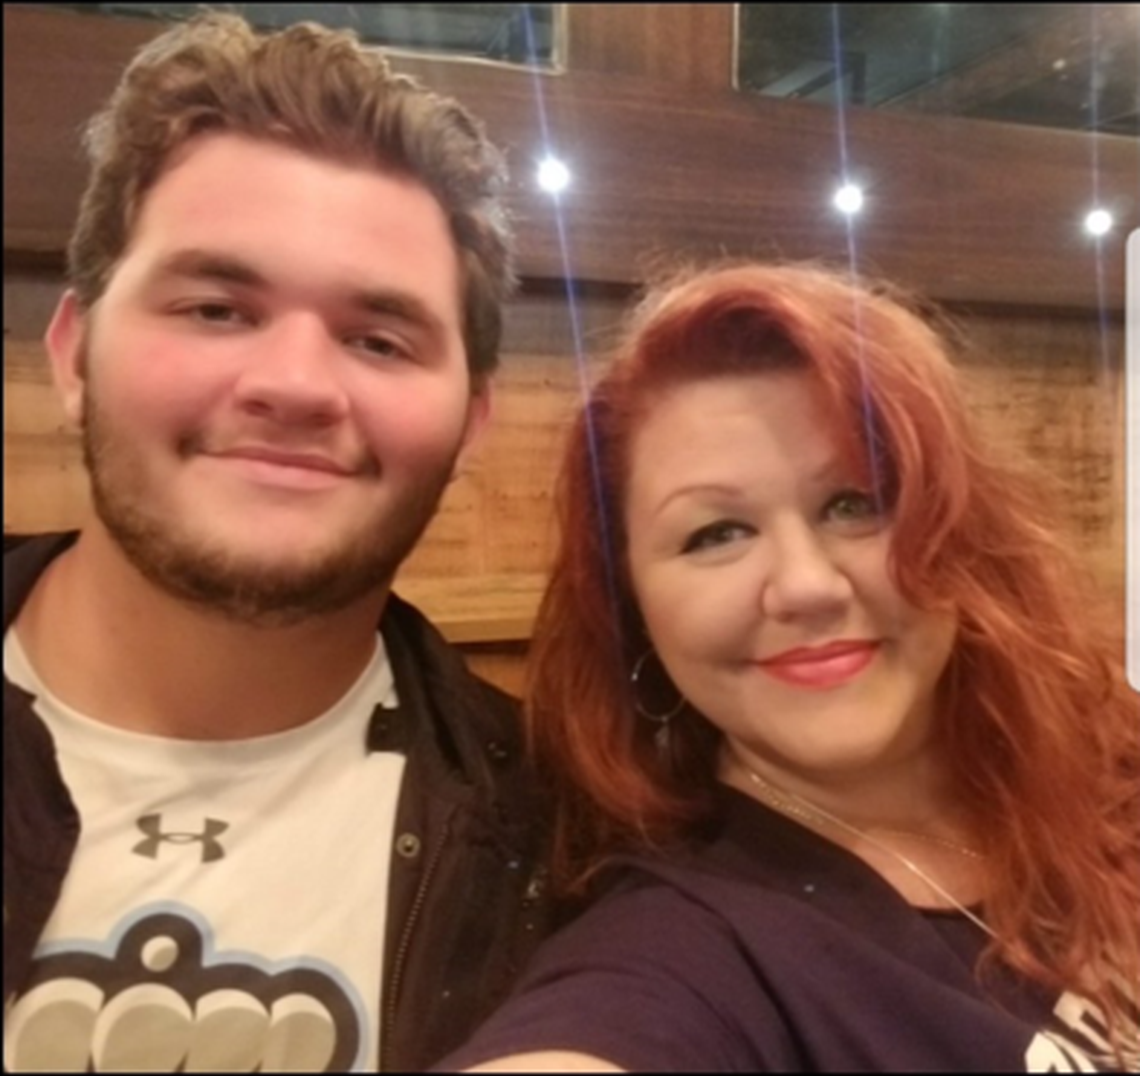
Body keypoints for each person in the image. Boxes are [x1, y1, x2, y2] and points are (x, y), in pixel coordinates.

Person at [2, 12, 553, 1073]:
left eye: (377, 338)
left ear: (470, 422)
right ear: (73, 356)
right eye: (216, 308)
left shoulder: (564, 845)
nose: (295, 385)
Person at [437, 263, 1140, 1072]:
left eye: (855, 503)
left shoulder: (1107, 762)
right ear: (632, 609)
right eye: (716, 534)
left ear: (961, 533)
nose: (806, 586)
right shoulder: (683, 956)